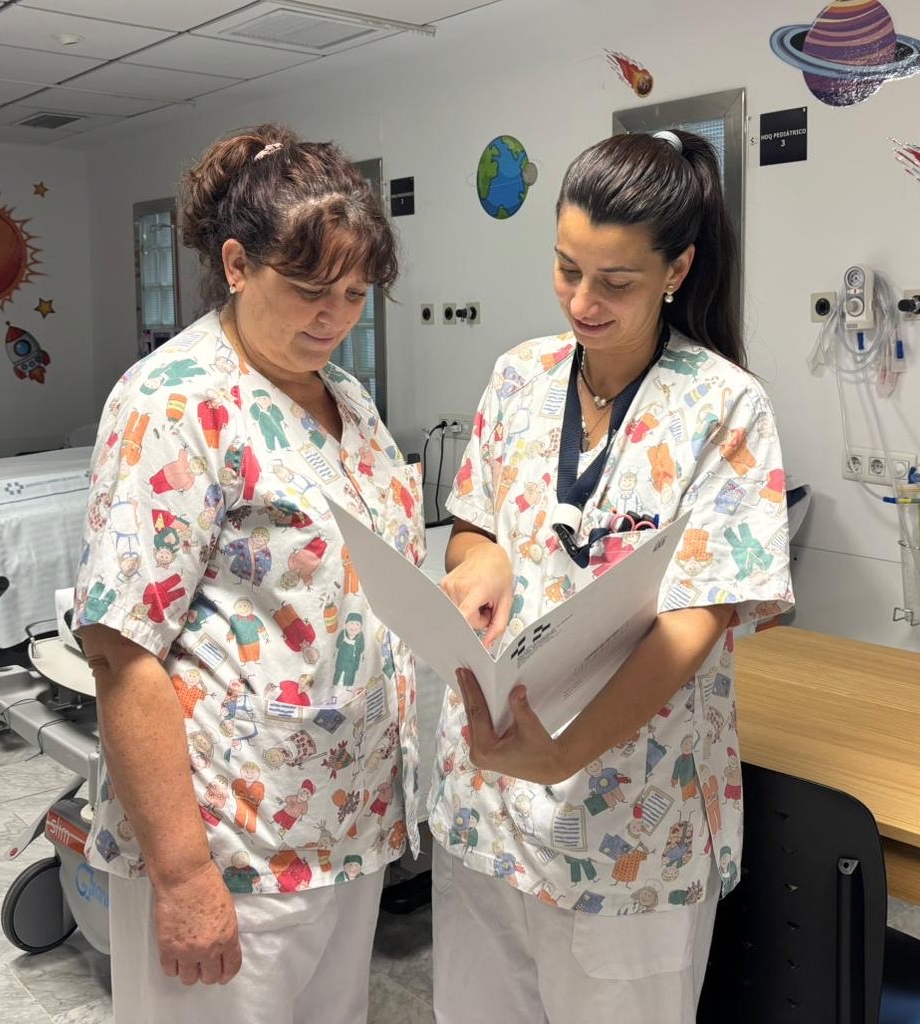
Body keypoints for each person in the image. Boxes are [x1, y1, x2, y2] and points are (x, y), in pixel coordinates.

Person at [431, 129, 793, 1023]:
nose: (582, 301)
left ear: (677, 270)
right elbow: (475, 523)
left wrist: (567, 750)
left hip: (635, 811)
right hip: (486, 792)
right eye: (566, 269)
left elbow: (696, 618)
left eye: (615, 282)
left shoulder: (723, 406)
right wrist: (480, 560)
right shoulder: (520, 377)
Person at [74, 123, 424, 1024]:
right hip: (229, 834)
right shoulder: (176, 401)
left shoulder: (342, 394)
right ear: (236, 264)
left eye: (353, 294)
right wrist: (185, 877)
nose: (333, 318)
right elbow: (121, 651)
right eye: (309, 290)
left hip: (343, 820)